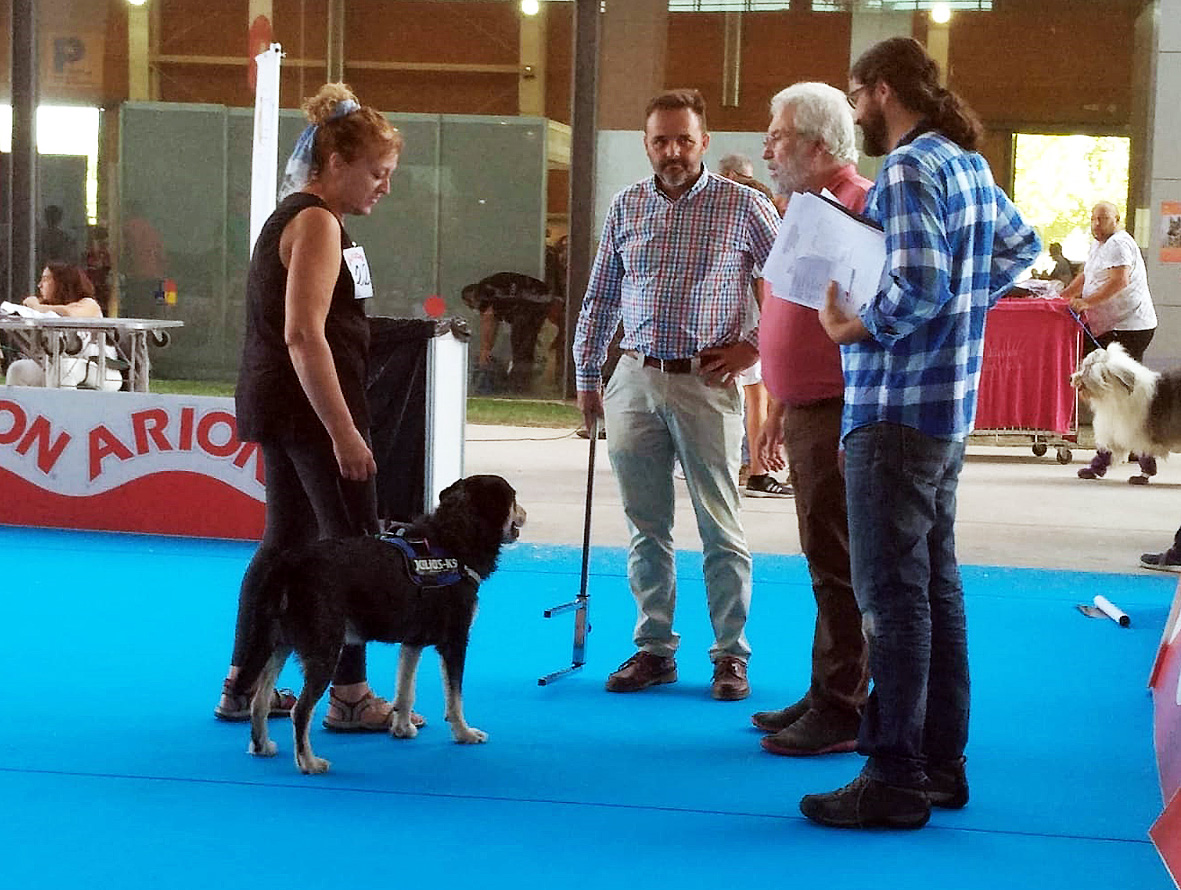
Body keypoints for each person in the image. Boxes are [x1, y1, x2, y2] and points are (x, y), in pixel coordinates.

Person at [803, 37, 1041, 828]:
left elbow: (921, 286)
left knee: (891, 600)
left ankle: (894, 777)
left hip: (894, 409)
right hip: (945, 412)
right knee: (935, 592)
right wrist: (962, 310)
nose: (855, 111)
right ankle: (939, 764)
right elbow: (1018, 248)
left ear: (879, 91)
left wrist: (852, 325)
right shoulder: (965, 162)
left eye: (856, 95)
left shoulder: (906, 167)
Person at [214, 82, 418, 732]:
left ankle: (245, 683)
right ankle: (351, 694)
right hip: (311, 412)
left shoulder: (296, 216)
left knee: (286, 543)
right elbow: (303, 334)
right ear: (336, 165)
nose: (384, 187)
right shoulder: (317, 223)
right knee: (353, 549)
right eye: (377, 174)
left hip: (281, 403)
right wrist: (344, 433)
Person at [572, 88, 780, 702]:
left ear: (704, 142)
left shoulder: (745, 207)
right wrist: (588, 377)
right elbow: (601, 296)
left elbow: (788, 292)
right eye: (661, 140)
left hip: (708, 383)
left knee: (721, 526)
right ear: (646, 143)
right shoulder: (625, 205)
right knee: (645, 527)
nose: (672, 151)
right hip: (633, 379)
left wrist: (754, 347)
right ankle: (654, 649)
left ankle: (729, 656)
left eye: (684, 139)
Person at [750, 82, 874, 756]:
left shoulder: (858, 207)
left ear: (820, 144)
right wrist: (777, 400)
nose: (767, 148)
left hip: (840, 409)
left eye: (779, 135)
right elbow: (795, 310)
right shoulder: (811, 207)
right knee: (823, 557)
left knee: (837, 560)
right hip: (807, 405)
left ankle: (841, 704)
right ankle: (828, 688)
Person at [1063, 202, 1159, 484]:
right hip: (1109, 327)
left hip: (1127, 327)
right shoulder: (1098, 244)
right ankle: (1132, 455)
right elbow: (1087, 275)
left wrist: (1086, 302)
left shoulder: (1119, 244)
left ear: (1117, 219)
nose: (1096, 224)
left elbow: (1120, 281)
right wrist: (1064, 296)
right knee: (1115, 397)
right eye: (1093, 219)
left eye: (1103, 219)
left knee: (1125, 398)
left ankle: (1132, 455)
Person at [715, 152, 792, 498]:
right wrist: (767, 334)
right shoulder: (750, 232)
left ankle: (751, 467)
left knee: (753, 396)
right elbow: (767, 290)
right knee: (754, 397)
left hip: (747, 327)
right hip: (749, 328)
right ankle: (757, 470)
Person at [4, 262, 122, 391]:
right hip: (56, 366)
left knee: (64, 368)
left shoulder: (88, 304)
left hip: (103, 371)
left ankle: (62, 410)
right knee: (18, 369)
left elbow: (70, 313)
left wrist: (37, 307)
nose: (40, 285)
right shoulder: (48, 308)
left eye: (46, 279)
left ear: (62, 282)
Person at [37, 204, 78, 270]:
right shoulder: (40, 236)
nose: (53, 219)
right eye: (51, 216)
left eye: (54, 217)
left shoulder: (64, 237)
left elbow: (69, 259)